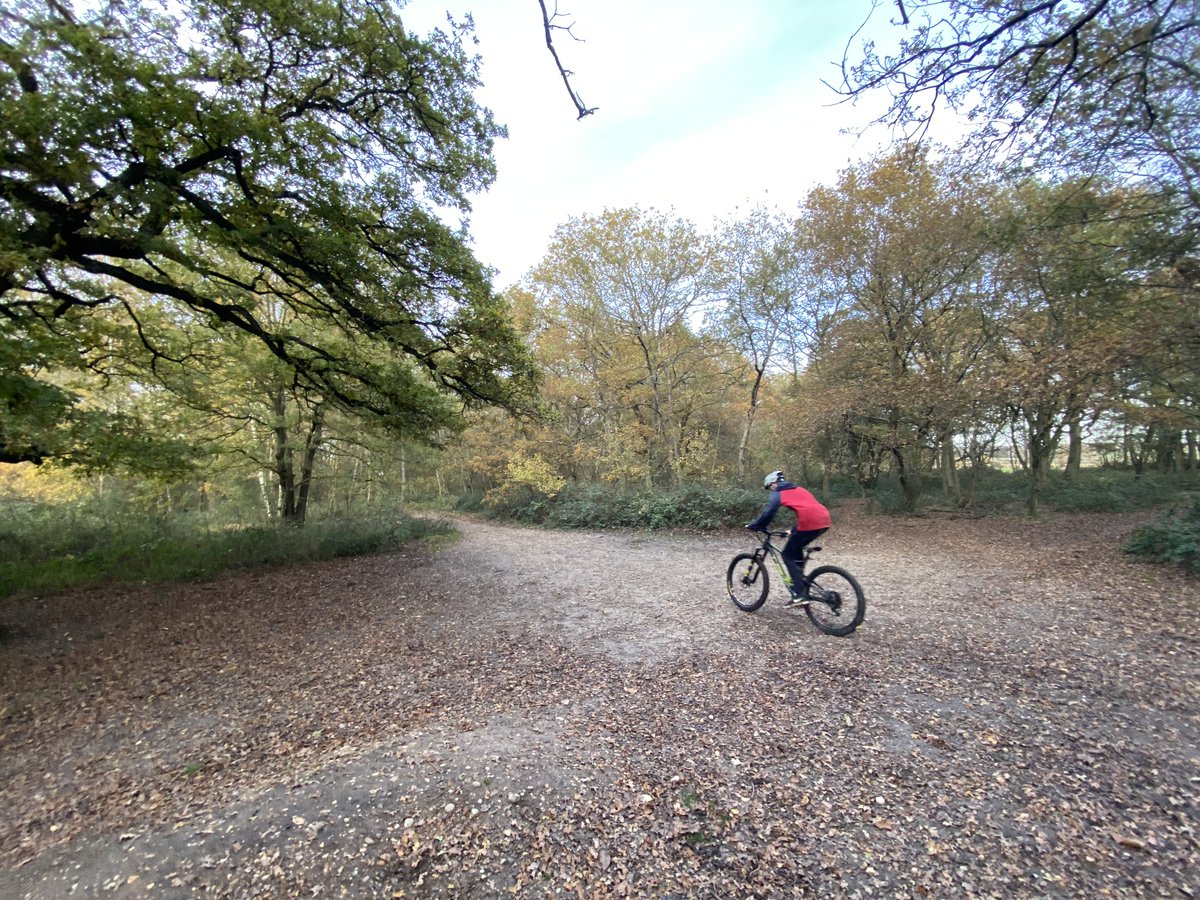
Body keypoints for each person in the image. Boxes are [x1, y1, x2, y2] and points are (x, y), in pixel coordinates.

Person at [746, 470, 831, 600]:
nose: (771, 490)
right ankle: (800, 585)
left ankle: (799, 594)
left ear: (773, 483)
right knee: (796, 550)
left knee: (786, 554)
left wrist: (756, 525)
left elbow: (769, 512)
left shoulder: (778, 493)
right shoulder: (799, 489)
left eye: (769, 487)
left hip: (809, 523)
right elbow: (809, 509)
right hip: (824, 521)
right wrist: (793, 530)